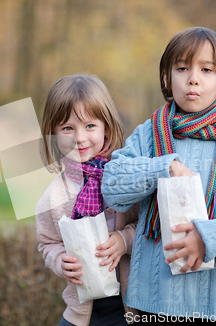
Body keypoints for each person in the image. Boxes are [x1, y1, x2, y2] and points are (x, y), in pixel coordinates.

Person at [101, 27, 216, 325]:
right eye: (182, 68)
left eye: (206, 69)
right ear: (167, 77)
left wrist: (207, 238)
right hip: (152, 300)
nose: (193, 78)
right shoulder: (150, 134)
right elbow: (113, 185)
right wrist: (163, 168)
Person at [36, 74, 140, 326]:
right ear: (53, 134)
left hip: (128, 309)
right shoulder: (55, 195)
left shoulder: (127, 180)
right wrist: (61, 261)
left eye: (90, 126)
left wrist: (124, 240)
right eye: (68, 128)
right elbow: (47, 243)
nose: (80, 138)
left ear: (107, 126)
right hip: (81, 313)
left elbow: (149, 227)